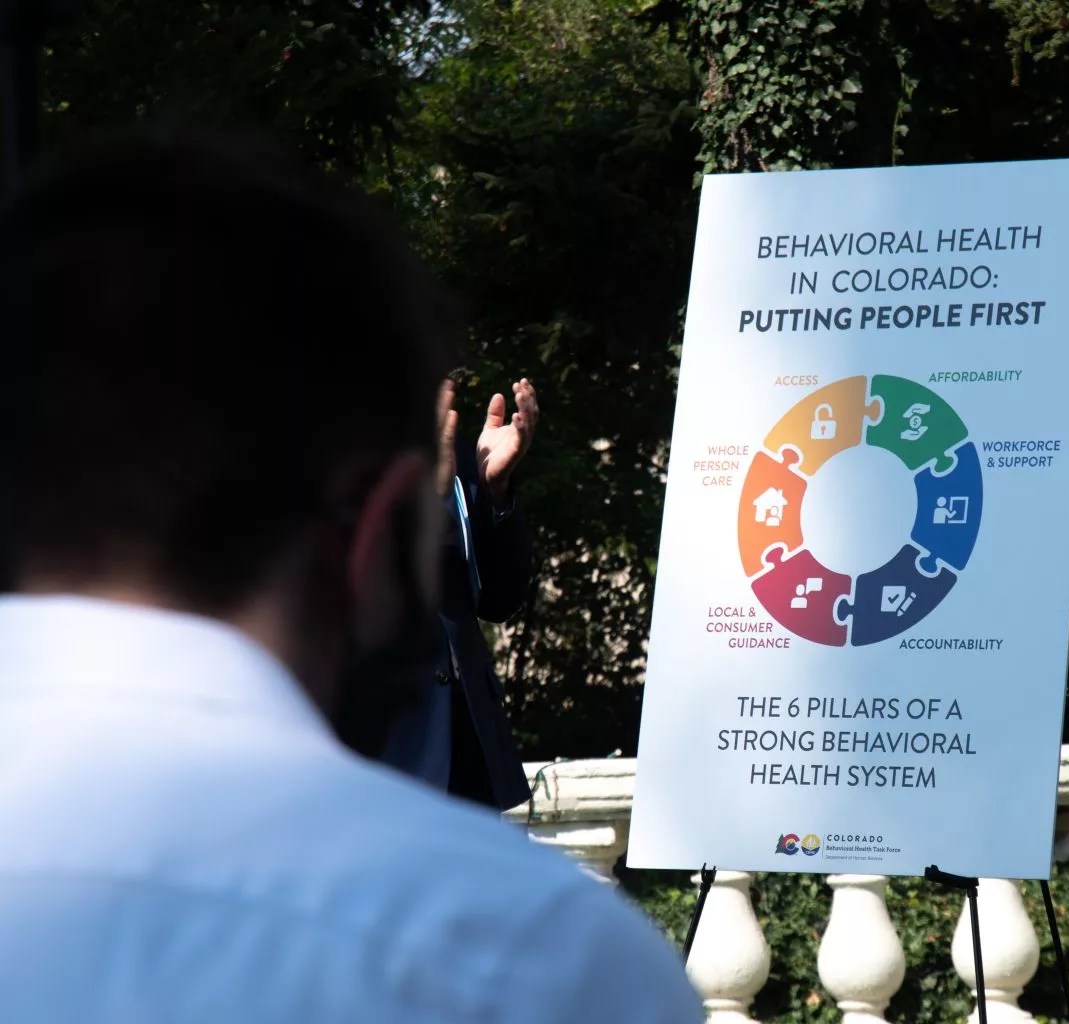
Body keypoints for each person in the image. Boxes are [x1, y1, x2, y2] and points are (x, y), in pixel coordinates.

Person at [0, 125, 699, 1022]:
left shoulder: (463, 470)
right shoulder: (532, 956)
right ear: (377, 521)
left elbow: (499, 596)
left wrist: (487, 494)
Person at [378, 375, 538, 811]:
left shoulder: (462, 454)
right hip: (387, 750)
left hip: (468, 748)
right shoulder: (336, 469)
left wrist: (496, 492)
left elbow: (499, 601)